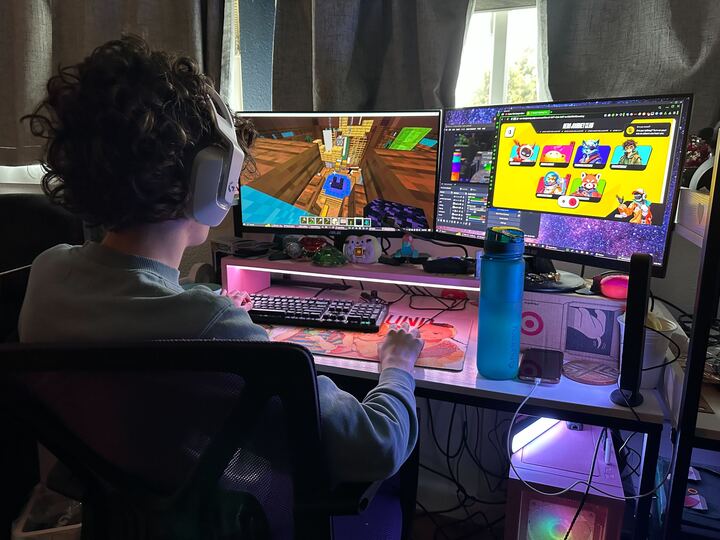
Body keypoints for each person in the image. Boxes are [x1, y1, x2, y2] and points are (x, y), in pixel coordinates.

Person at [19, 35, 423, 484]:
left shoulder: (48, 274)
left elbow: (132, 300)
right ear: (214, 179)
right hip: (227, 508)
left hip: (116, 500)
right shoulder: (208, 324)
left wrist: (201, 295)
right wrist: (397, 366)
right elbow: (376, 446)